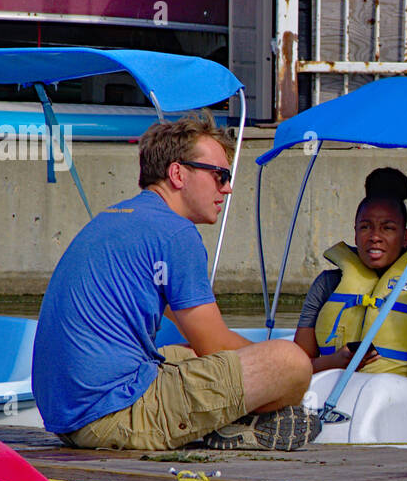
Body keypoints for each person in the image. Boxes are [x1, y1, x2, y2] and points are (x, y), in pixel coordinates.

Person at [31, 113, 318, 451]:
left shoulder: (116, 218)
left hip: (69, 416)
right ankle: (232, 427)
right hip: (115, 416)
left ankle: (231, 422)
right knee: (291, 363)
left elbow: (202, 343)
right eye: (219, 175)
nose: (227, 187)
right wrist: (283, 368)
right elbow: (217, 345)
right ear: (178, 173)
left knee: (187, 354)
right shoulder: (176, 233)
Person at [294, 167, 407, 376]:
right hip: (333, 394)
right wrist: (335, 361)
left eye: (388, 228)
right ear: (355, 234)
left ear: (405, 236)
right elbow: (296, 367)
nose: (375, 236)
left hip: (400, 398)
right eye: (365, 227)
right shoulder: (327, 284)